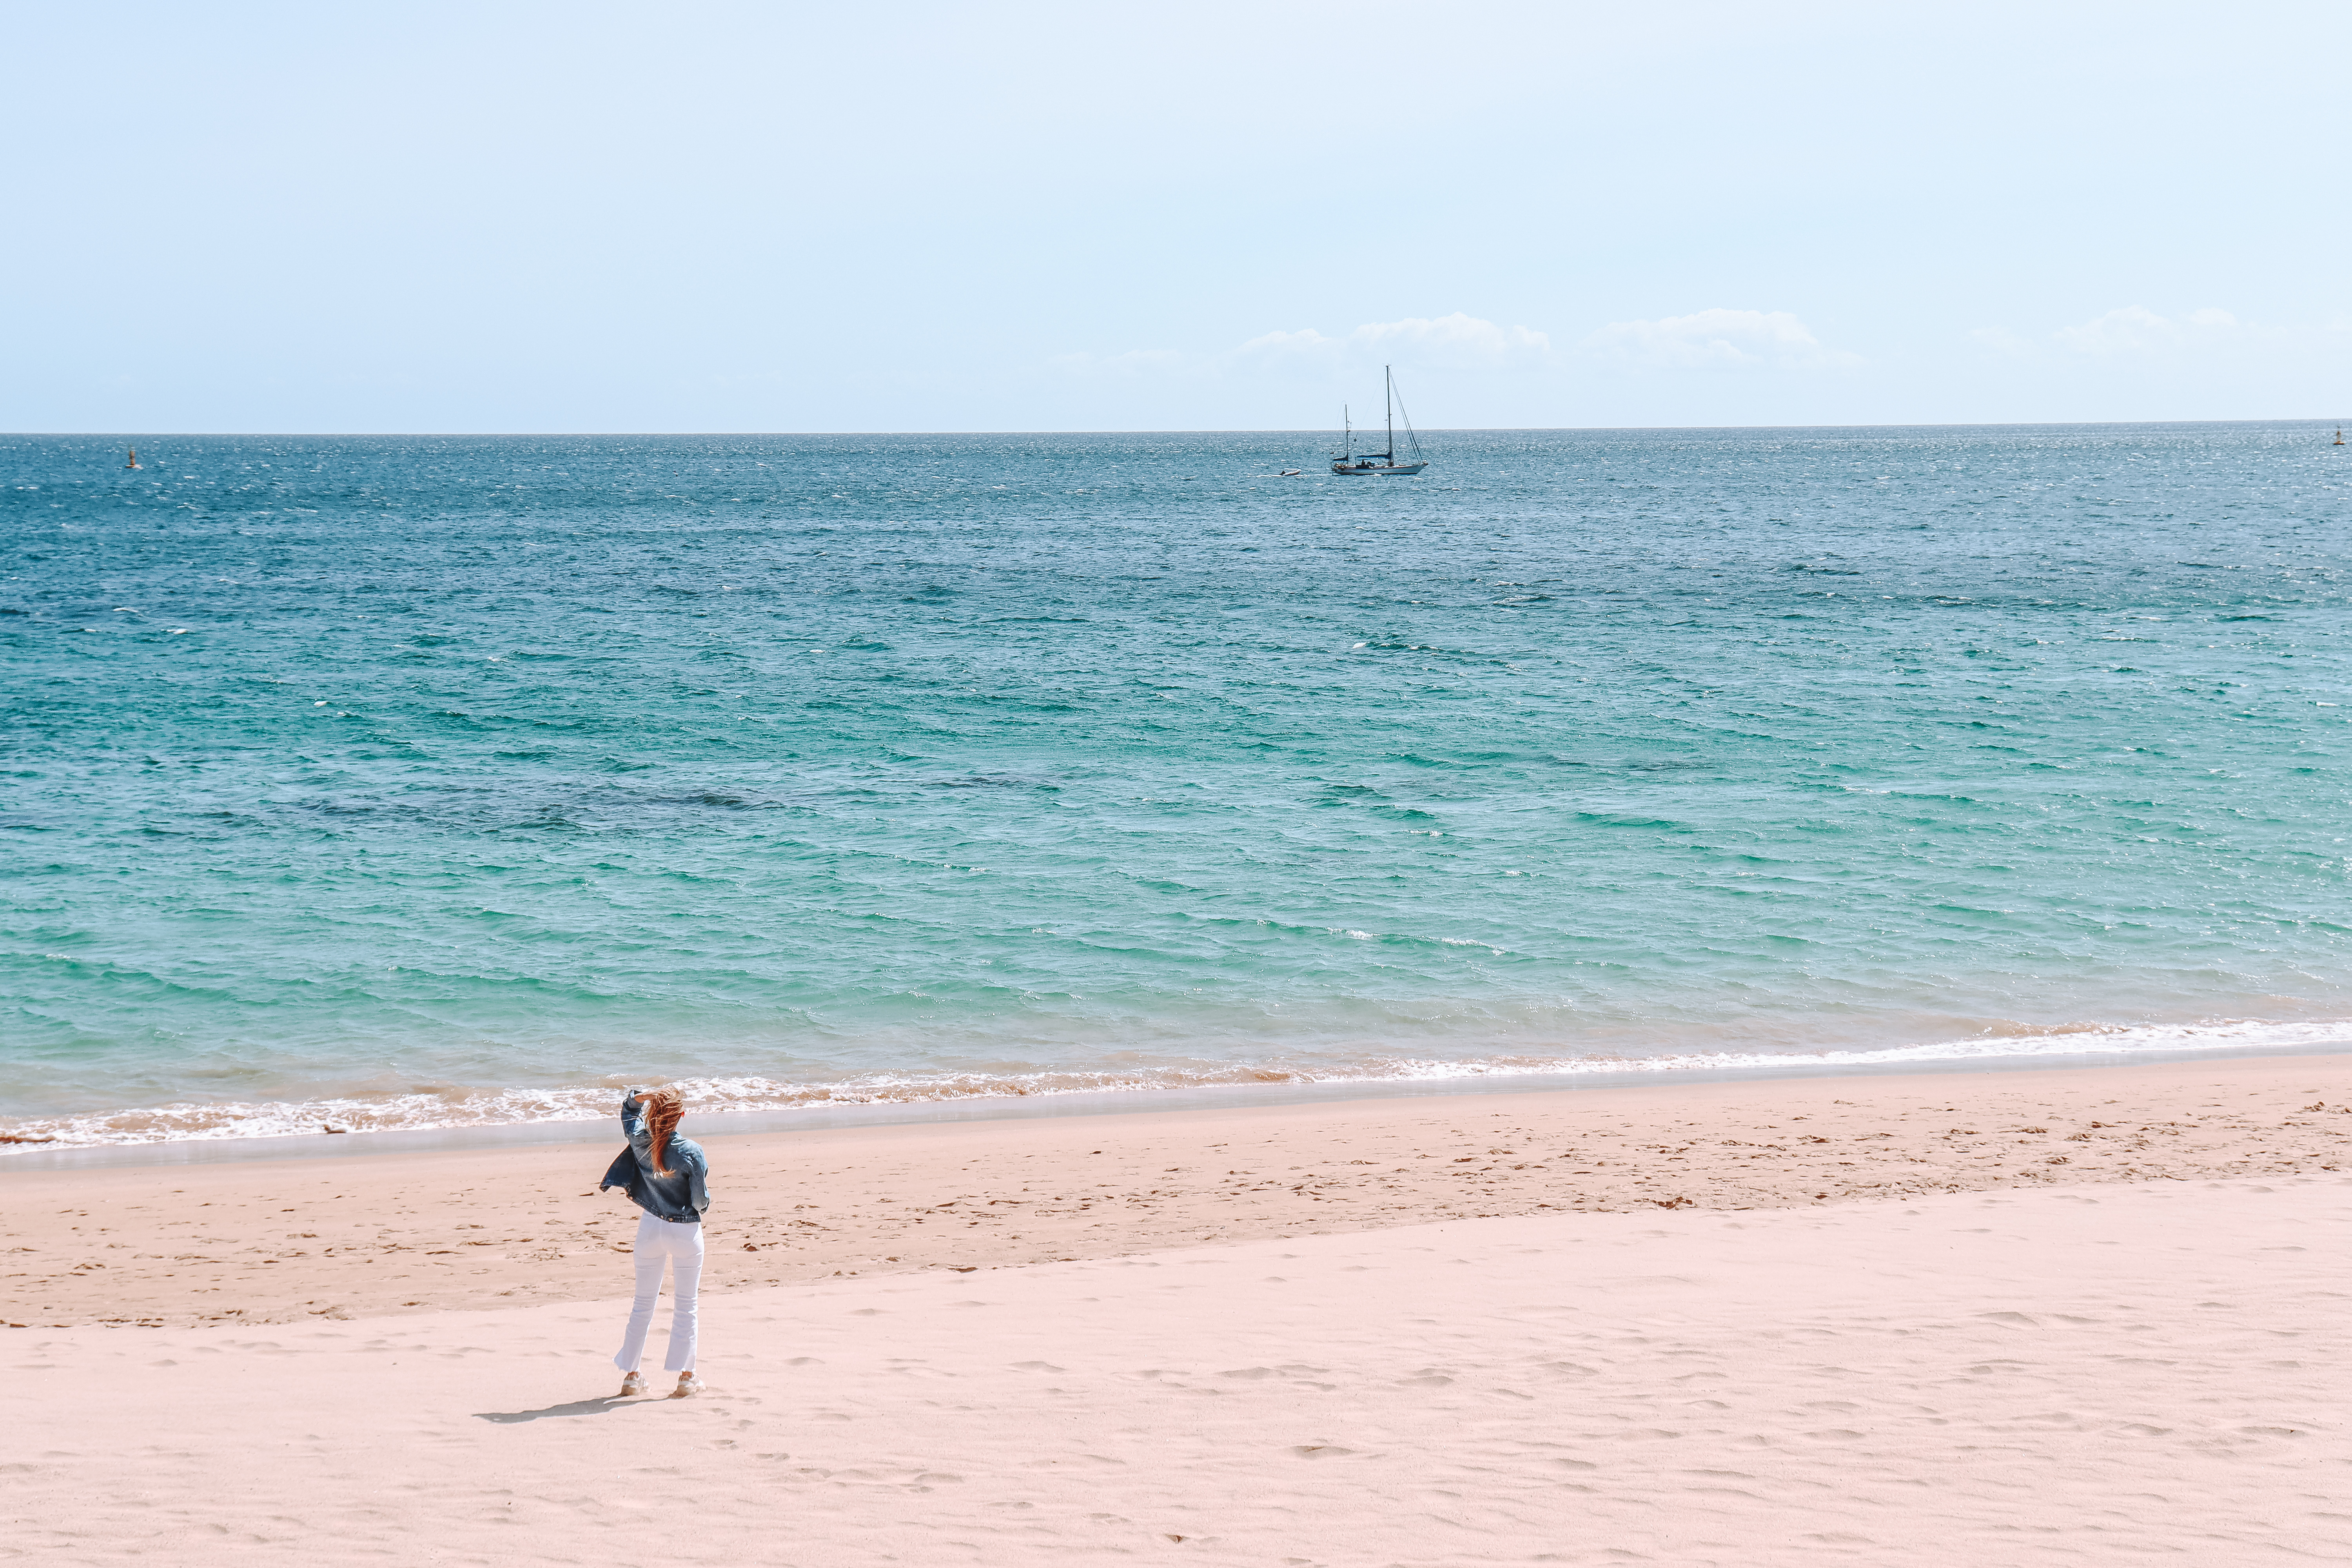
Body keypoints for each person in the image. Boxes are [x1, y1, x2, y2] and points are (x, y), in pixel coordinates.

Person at [599, 1086, 710, 1398]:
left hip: (650, 1228)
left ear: (655, 1114)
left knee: (642, 1305)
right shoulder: (692, 1151)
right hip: (685, 1230)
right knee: (686, 1306)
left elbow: (627, 1112)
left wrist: (643, 1097)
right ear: (681, 1116)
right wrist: (703, 1206)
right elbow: (700, 1201)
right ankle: (687, 1377)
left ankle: (632, 1377)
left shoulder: (641, 1142)